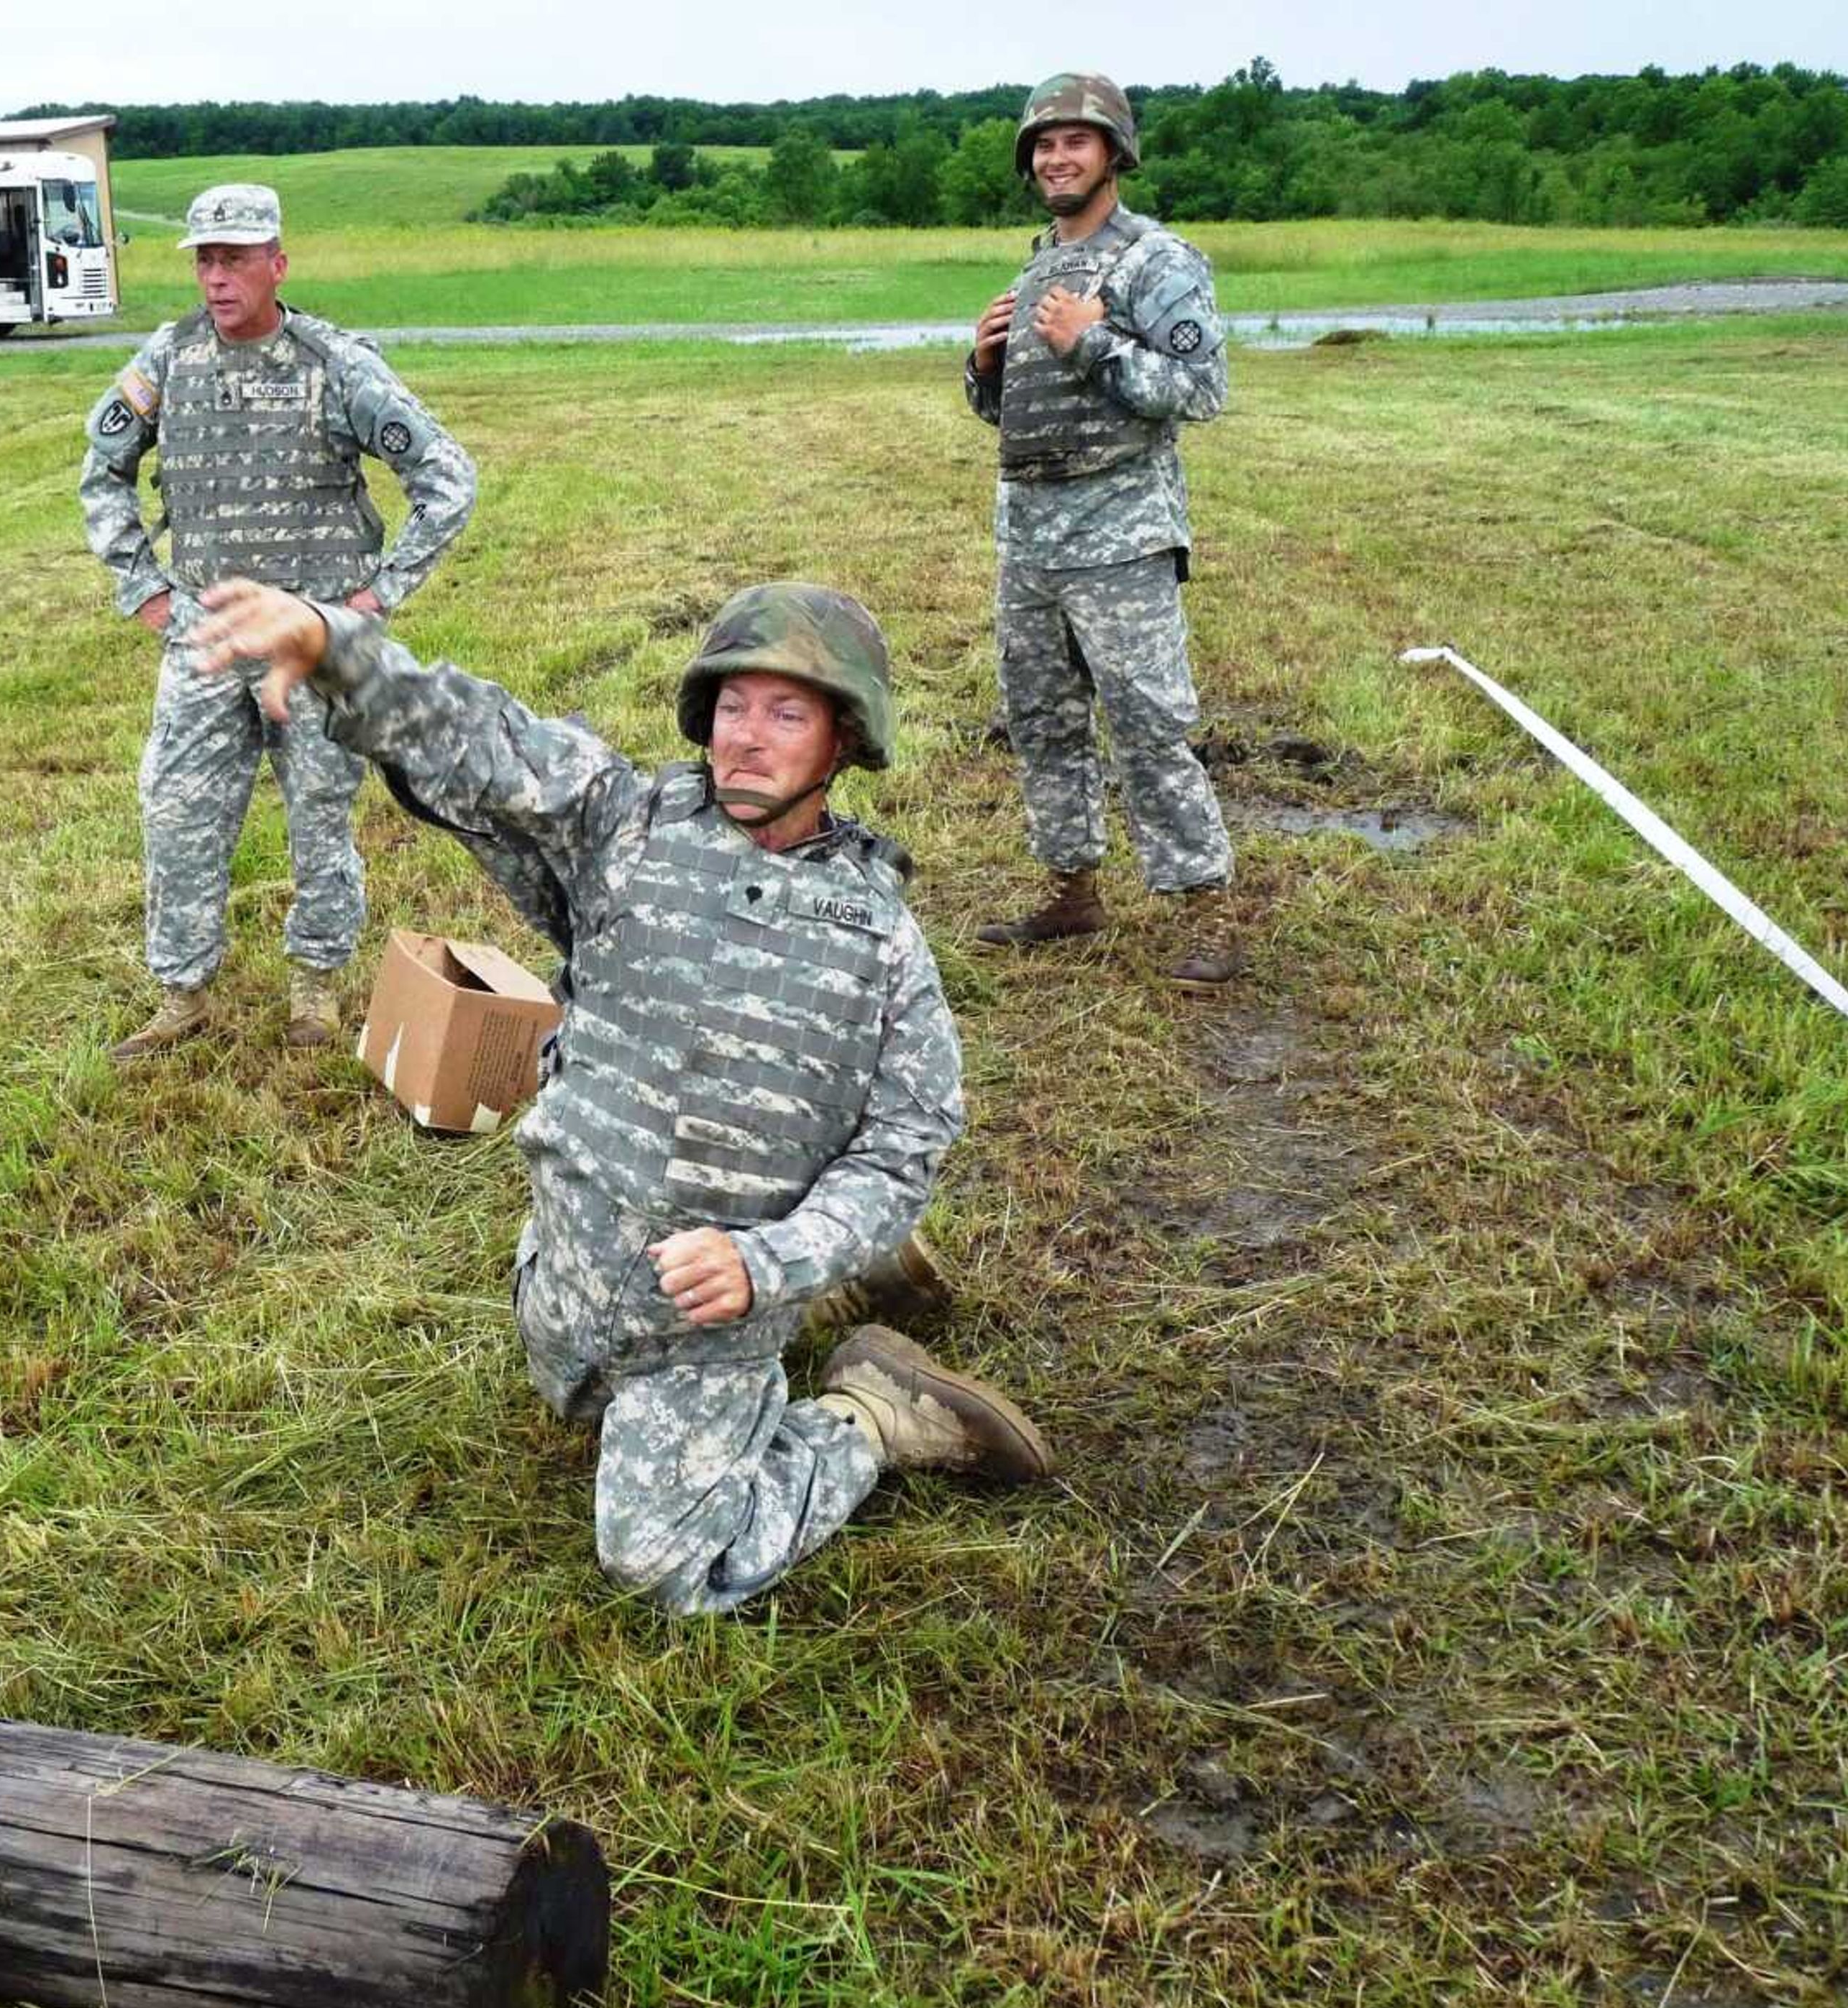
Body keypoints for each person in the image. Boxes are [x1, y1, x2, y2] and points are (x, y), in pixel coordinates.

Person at [191, 577, 1056, 1615]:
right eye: (734, 706)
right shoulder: (626, 827)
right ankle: (848, 1270)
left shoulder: (878, 944)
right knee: (571, 1389)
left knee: (661, 1562)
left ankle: (872, 1413)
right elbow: (484, 737)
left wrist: (769, 1260)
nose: (748, 737)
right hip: (569, 1291)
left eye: (787, 714)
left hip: (709, 1322)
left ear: (843, 742)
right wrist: (339, 647)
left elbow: (906, 1144)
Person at [78, 183, 477, 1056]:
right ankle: (182, 996)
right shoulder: (169, 359)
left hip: (315, 643)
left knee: (320, 818)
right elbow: (100, 469)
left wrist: (374, 600)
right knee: (178, 814)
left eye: (235, 260)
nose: (217, 280)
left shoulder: (335, 365)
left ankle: (316, 990)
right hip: (208, 641)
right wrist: (143, 588)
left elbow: (448, 478)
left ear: (276, 264)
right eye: (205, 262)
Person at [964, 73, 1246, 987]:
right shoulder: (1038, 262)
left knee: (1148, 724)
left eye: (1076, 142)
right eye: (1043, 145)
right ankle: (1072, 892)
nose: (1057, 157)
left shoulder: (1156, 261)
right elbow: (1013, 411)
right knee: (1042, 723)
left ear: (1115, 153)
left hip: (1119, 536)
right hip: (1032, 539)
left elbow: (1200, 391)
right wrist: (981, 364)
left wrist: (1092, 340)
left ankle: (1206, 908)